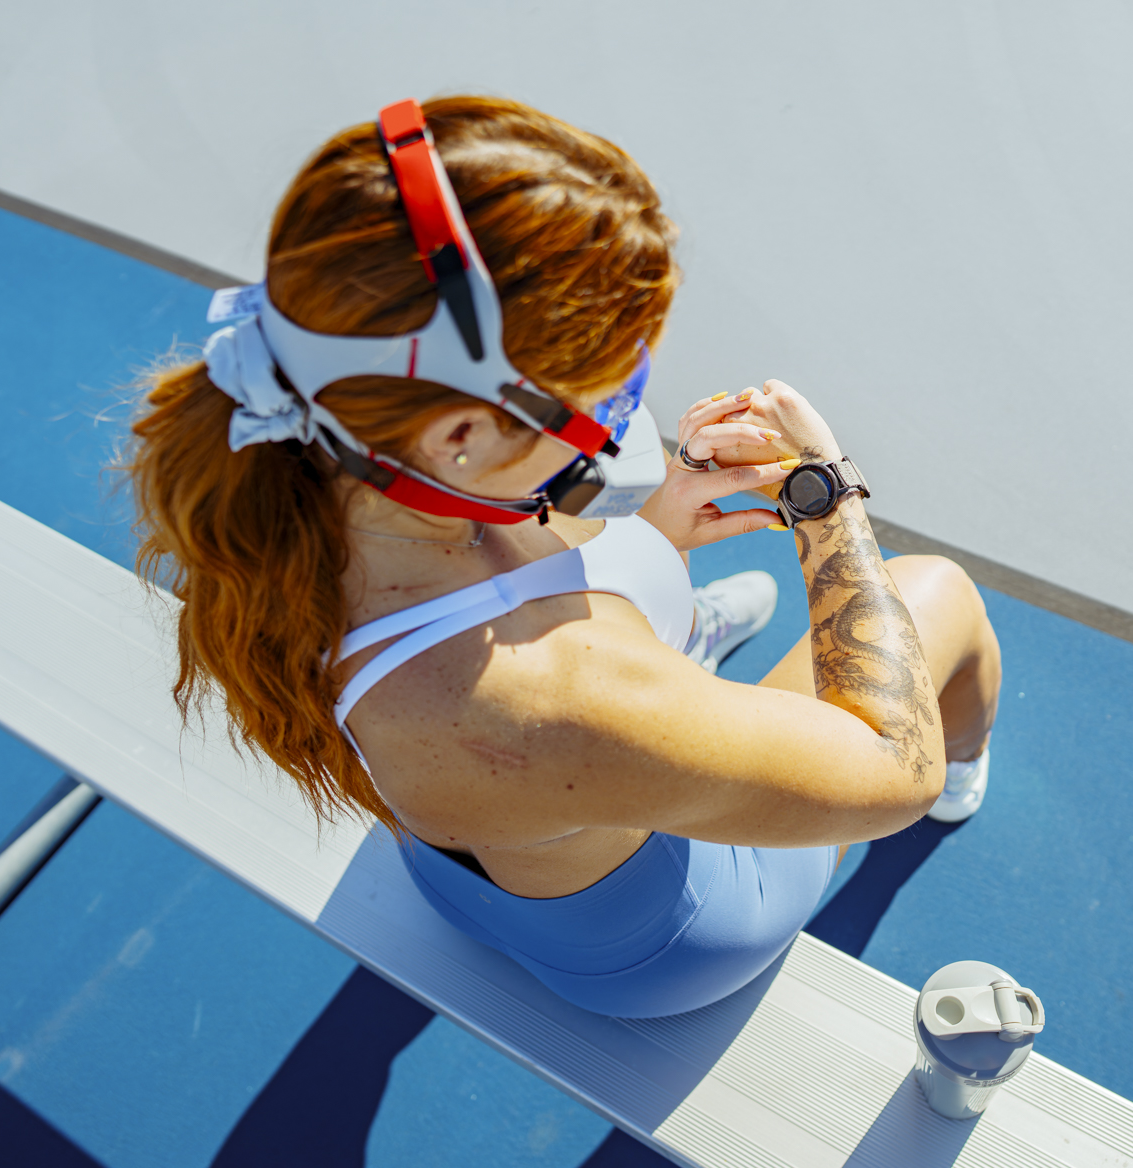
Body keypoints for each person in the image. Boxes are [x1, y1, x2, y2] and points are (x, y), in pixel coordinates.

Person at [127, 96, 1002, 1018]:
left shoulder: (297, 485)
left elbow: (511, 601)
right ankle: (952, 761)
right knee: (936, 589)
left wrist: (657, 529)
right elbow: (892, 771)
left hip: (476, 874)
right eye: (611, 392)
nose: (629, 421)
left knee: (639, 600)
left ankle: (682, 638)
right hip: (672, 936)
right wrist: (828, 498)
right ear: (461, 431)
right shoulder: (556, 694)